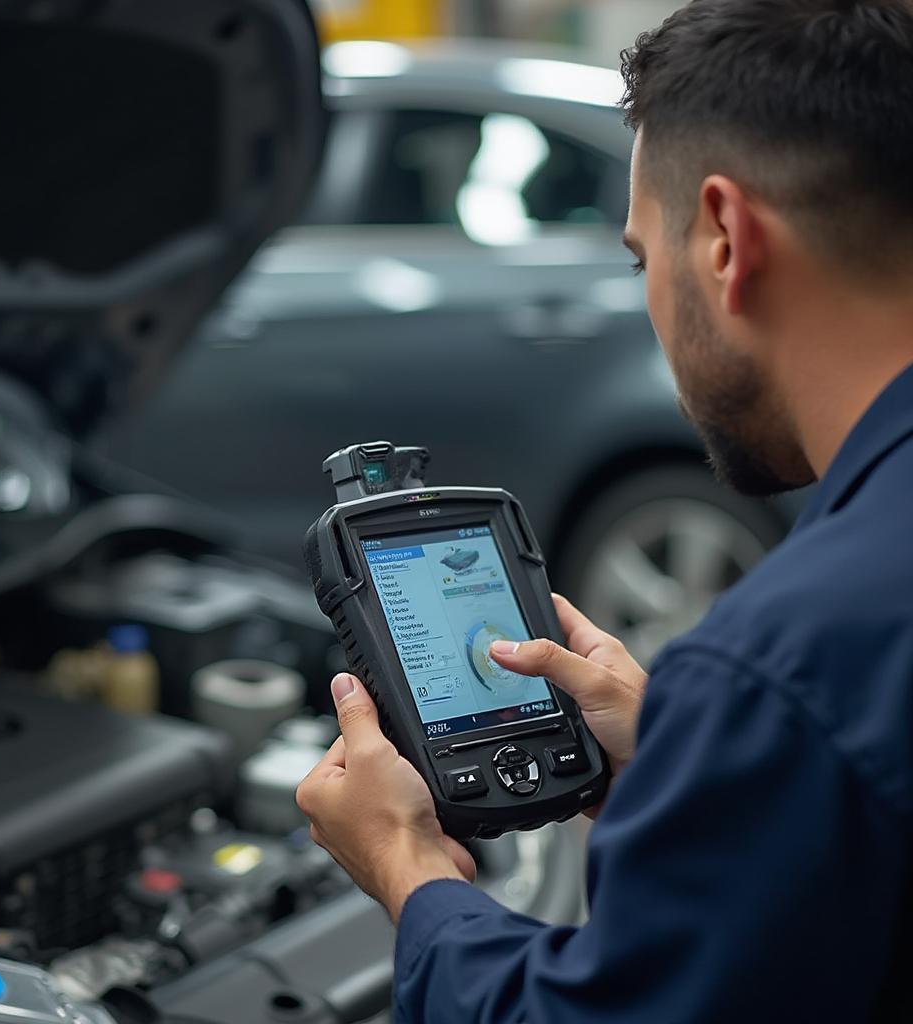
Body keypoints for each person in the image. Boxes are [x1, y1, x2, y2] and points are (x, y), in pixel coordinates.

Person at [295, 0, 913, 1019]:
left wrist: (409, 867)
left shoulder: (787, 663)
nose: (648, 298)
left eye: (640, 258)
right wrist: (691, 759)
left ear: (722, 236)